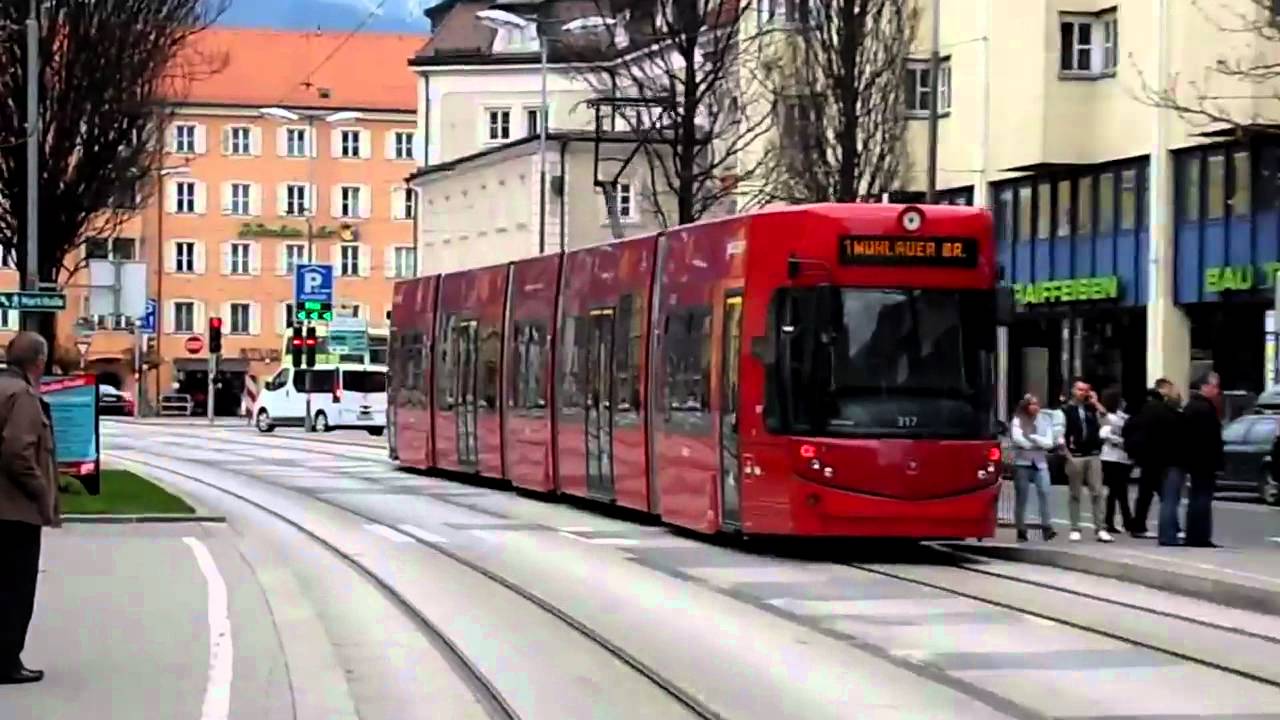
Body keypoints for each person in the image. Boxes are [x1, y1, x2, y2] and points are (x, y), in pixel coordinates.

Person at [0, 332, 59, 684]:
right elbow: (19, 454)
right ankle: (6, 661)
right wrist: (42, 494)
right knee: (15, 589)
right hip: (15, 510)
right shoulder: (21, 396)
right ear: (38, 361)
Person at [1062, 378, 1114, 542]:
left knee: (1098, 492)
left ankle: (1100, 528)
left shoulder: (1092, 408)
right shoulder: (1066, 410)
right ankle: (1075, 527)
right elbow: (1060, 433)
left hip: (1093, 454)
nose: (1083, 393)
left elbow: (1106, 419)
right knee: (1075, 493)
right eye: (1079, 389)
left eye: (1086, 390)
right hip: (1075, 455)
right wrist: (1066, 454)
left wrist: (1096, 402)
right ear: (1073, 391)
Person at [1125, 379, 1178, 539]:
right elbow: (1169, 429)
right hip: (1157, 455)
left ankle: (1138, 524)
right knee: (1162, 493)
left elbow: (1129, 427)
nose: (1172, 392)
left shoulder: (1144, 406)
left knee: (1147, 492)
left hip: (1146, 455)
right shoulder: (1160, 408)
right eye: (1170, 389)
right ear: (1163, 389)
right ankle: (1170, 526)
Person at [1009, 394, 1058, 542]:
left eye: (1037, 404)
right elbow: (1018, 439)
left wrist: (1035, 439)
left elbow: (1049, 442)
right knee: (1022, 497)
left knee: (1045, 492)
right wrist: (1034, 444)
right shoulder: (1018, 420)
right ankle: (1021, 528)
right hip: (1022, 463)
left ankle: (1047, 527)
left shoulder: (1044, 420)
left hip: (1040, 462)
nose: (1035, 407)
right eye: (1032, 404)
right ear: (1026, 406)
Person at [1182, 372, 1223, 547]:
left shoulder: (1191, 406)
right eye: (1214, 386)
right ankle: (1200, 537)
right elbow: (1209, 438)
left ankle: (1193, 535)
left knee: (1196, 498)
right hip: (1204, 461)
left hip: (1194, 460)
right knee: (1202, 499)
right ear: (1204, 387)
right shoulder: (1205, 408)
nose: (1217, 390)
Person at [1098, 386, 1133, 535]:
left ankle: (1117, 520)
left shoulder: (1121, 415)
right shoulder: (1107, 416)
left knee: (1119, 491)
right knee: (1117, 491)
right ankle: (1120, 521)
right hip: (1111, 457)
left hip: (1122, 458)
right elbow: (1104, 434)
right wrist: (1120, 441)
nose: (1123, 402)